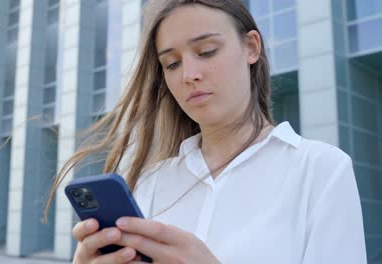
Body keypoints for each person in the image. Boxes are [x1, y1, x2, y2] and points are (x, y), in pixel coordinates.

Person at [45, 0, 367, 263]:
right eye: (171, 64)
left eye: (207, 51)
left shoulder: (321, 171)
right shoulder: (151, 181)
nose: (188, 74)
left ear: (251, 47)